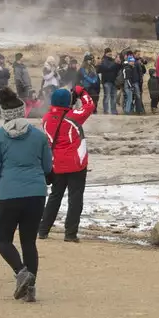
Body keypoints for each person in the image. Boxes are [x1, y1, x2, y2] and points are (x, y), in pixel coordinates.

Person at [0, 87, 54, 302]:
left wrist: (4, 184)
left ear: (4, 114)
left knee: (3, 240)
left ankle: (21, 272)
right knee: (29, 242)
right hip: (35, 194)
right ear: (23, 112)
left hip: (9, 193)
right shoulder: (38, 135)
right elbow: (47, 166)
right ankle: (30, 289)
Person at [39, 86, 93, 242]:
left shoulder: (46, 118)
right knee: (75, 199)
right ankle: (70, 234)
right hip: (76, 164)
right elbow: (89, 106)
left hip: (57, 163)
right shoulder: (73, 117)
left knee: (55, 197)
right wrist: (81, 92)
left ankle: (43, 230)